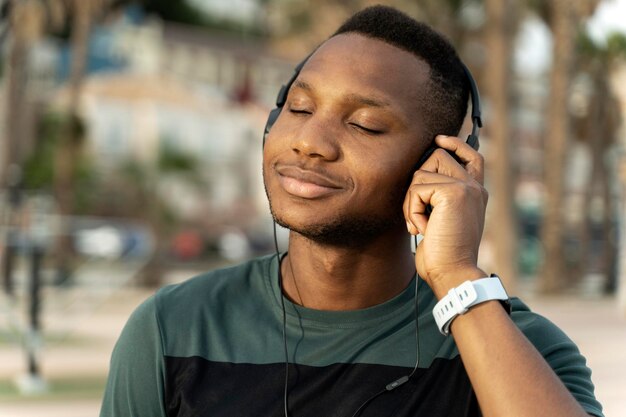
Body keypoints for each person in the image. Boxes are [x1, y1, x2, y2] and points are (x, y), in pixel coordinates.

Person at [100, 5, 603, 417]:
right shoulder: (175, 328)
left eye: (364, 124)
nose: (310, 142)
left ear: (440, 163)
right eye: (298, 108)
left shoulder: (517, 347)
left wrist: (456, 279)